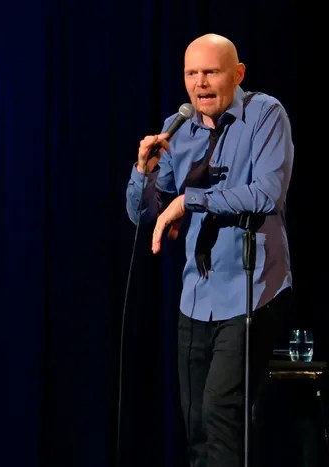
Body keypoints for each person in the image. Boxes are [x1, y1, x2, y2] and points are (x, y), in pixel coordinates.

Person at [125, 33, 294, 467]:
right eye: (191, 73)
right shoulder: (178, 128)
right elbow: (145, 215)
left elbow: (266, 193)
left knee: (221, 416)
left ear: (237, 74)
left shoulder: (264, 114)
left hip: (251, 292)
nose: (199, 83)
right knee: (196, 424)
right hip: (196, 298)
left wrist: (191, 201)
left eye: (211, 72)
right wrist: (143, 173)